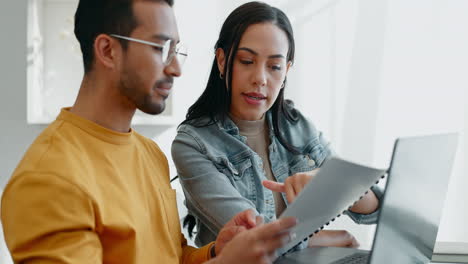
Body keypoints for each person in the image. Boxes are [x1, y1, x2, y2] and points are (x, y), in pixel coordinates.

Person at [0, 0, 298, 263]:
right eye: (160, 48)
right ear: (107, 50)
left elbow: (172, 257)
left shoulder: (149, 153)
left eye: (176, 49)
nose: (175, 69)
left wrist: (216, 251)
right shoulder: (49, 180)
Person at [172, 1, 383, 249]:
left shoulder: (298, 126)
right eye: (246, 61)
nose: (260, 79)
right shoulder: (193, 144)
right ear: (221, 60)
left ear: (286, 72)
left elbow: (376, 209)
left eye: (274, 67)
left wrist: (331, 182)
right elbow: (255, 239)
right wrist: (330, 239)